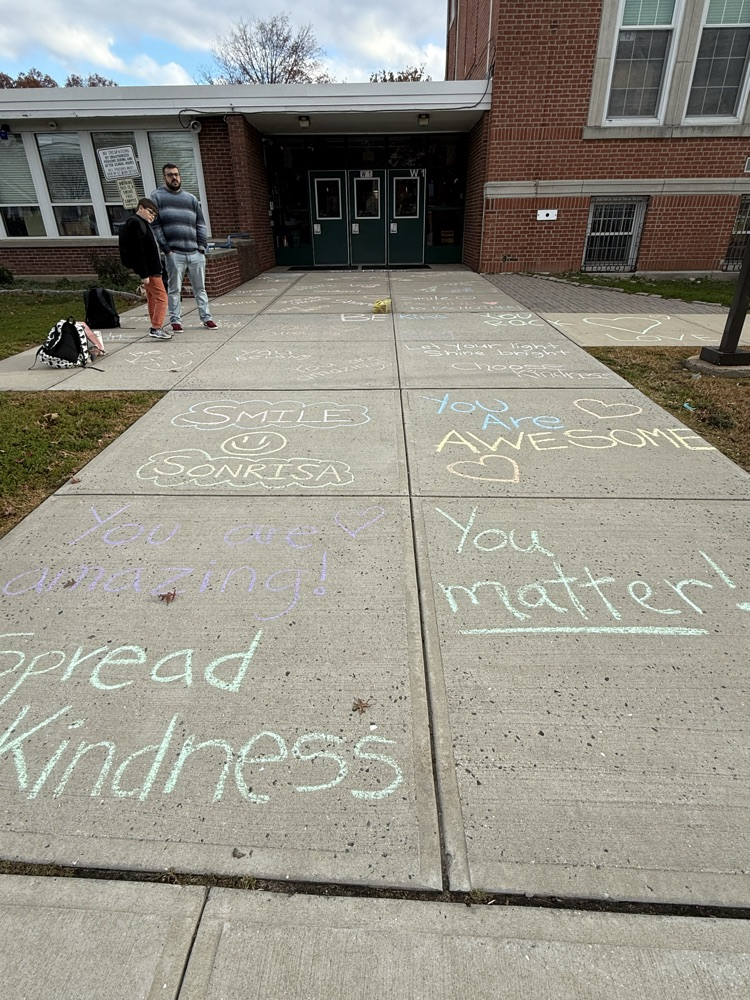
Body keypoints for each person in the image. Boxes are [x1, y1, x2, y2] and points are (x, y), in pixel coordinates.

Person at [150, 164, 217, 332]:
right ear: (164, 177)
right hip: (174, 253)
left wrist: (202, 247)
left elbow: (200, 224)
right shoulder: (157, 197)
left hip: (195, 252)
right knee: (174, 289)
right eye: (170, 175)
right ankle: (176, 320)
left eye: (176, 174)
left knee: (200, 288)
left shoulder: (191, 199)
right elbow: (155, 225)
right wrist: (166, 249)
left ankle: (207, 317)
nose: (174, 178)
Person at [118, 197, 170, 340]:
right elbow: (137, 250)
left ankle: (155, 324)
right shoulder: (135, 223)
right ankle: (156, 327)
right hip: (150, 270)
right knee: (162, 298)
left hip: (152, 268)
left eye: (154, 215)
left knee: (153, 298)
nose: (152, 216)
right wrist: (144, 273)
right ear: (141, 208)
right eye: (150, 212)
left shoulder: (142, 223)